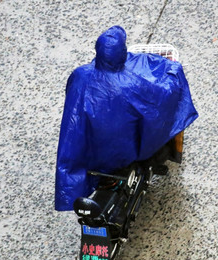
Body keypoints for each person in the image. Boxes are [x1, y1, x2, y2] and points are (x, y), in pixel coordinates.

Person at [55, 25, 198, 211]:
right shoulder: (132, 84)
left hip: (91, 152)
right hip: (123, 154)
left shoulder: (80, 75)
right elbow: (161, 98)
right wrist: (174, 74)